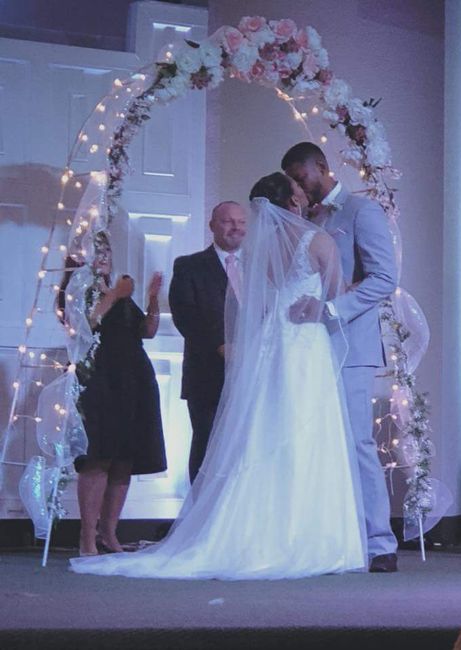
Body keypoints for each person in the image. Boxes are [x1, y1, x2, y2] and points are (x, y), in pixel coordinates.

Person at [70, 173, 366, 579]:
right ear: (293, 202)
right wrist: (361, 286)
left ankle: (257, 529)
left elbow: (260, 304)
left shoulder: (261, 252)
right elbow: (335, 293)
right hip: (304, 345)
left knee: (263, 433)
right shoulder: (318, 241)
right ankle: (308, 534)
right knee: (307, 431)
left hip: (273, 344)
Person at [282, 141, 399, 573]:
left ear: (321, 167)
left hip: (353, 344)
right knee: (319, 441)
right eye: (294, 182)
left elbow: (384, 277)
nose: (299, 187)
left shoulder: (360, 211)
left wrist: (333, 308)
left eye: (302, 177)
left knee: (356, 441)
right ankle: (333, 537)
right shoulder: (307, 218)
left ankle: (379, 542)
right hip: (311, 349)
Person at [60, 233, 167, 556]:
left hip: (134, 378)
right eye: (96, 251)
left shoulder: (120, 292)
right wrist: (114, 295)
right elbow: (84, 327)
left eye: (106, 250)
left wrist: (152, 299)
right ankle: (87, 537)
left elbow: (147, 331)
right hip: (100, 379)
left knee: (124, 459)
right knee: (99, 456)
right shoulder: (78, 290)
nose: (104, 256)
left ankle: (109, 533)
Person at [168, 201, 247, 483]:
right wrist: (220, 345)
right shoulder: (189, 266)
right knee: (207, 444)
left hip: (252, 373)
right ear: (212, 225)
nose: (236, 227)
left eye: (241, 222)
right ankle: (200, 505)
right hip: (207, 374)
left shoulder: (260, 266)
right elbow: (185, 315)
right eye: (228, 221)